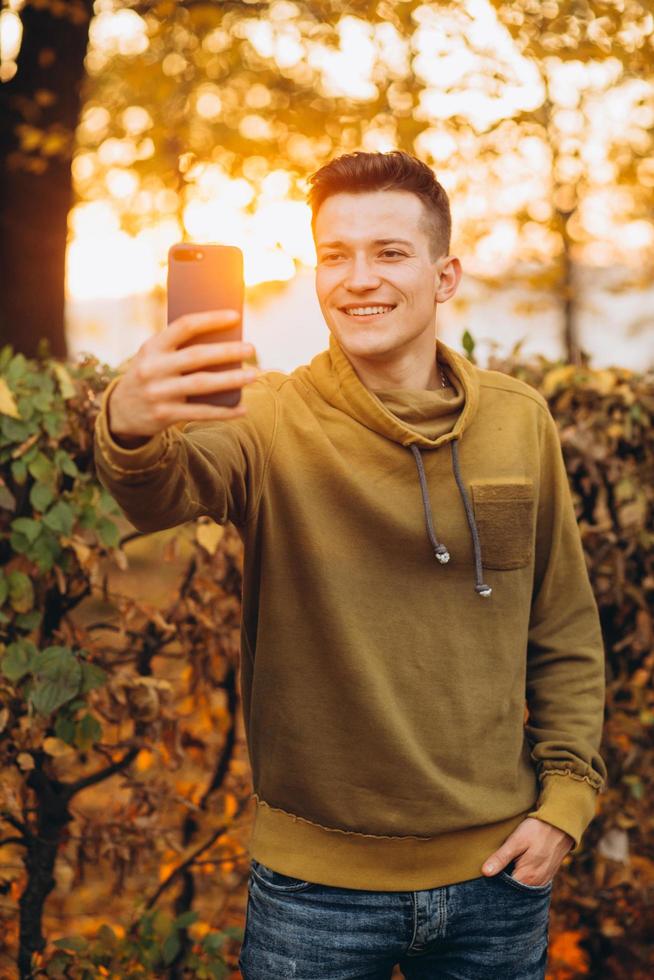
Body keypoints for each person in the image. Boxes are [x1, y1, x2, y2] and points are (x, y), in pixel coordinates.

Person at [93, 150, 607, 979]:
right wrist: (128, 422)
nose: (357, 278)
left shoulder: (520, 421)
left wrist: (566, 804)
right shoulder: (265, 418)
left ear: (445, 278)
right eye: (335, 255)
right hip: (314, 893)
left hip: (499, 876)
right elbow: (161, 492)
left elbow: (564, 629)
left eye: (389, 253)